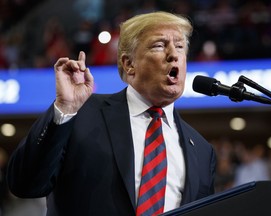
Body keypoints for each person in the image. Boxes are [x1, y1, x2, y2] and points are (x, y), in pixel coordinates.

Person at [6, 11, 216, 216]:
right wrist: (64, 109)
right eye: (159, 45)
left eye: (180, 46)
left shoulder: (203, 152)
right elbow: (25, 184)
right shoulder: (81, 113)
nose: (174, 55)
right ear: (129, 64)